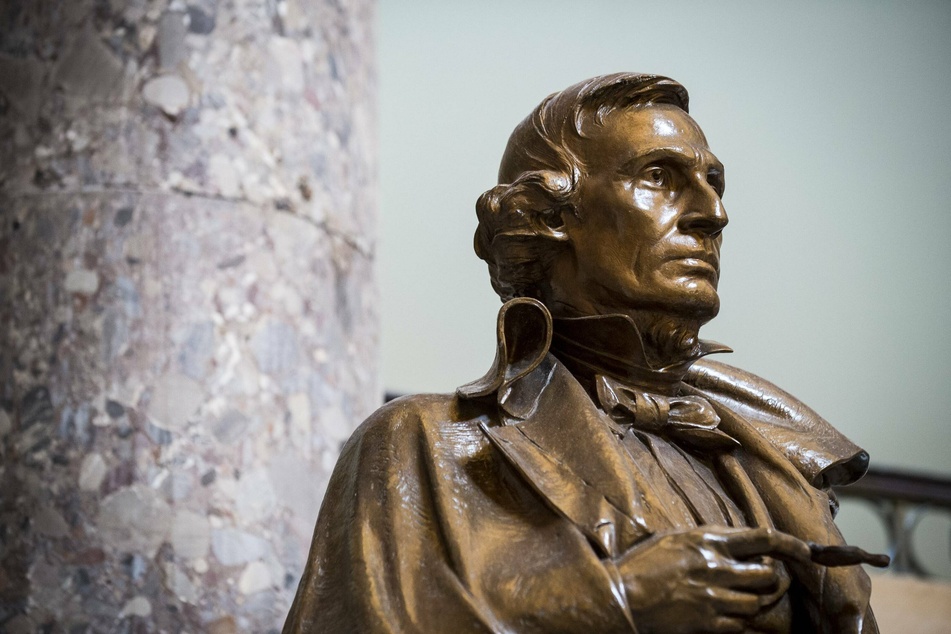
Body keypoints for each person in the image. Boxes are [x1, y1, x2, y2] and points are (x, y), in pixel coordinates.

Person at [284, 73, 879, 633]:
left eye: (713, 183)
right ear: (551, 215)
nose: (711, 214)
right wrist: (615, 601)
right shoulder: (425, 446)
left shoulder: (765, 460)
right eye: (659, 177)